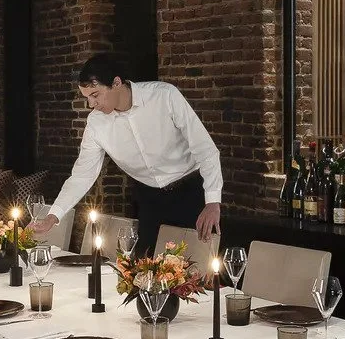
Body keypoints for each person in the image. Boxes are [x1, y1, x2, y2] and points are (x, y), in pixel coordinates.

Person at [28, 54, 223, 256]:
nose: (91, 104)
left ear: (116, 83)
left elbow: (205, 149)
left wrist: (212, 202)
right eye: (87, 98)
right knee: (142, 273)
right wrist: (53, 216)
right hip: (149, 200)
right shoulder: (96, 124)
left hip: (191, 193)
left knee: (195, 272)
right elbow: (82, 176)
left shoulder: (164, 96)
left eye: (95, 95)